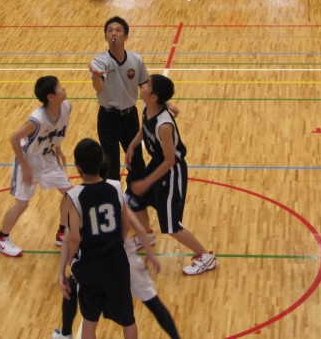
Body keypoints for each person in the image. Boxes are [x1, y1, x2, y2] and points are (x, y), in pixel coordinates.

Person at [54, 187, 180, 339]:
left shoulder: (80, 201)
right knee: (152, 304)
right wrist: (150, 254)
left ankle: (66, 333)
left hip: (98, 262)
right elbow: (139, 229)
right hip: (127, 261)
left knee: (74, 294)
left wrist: (67, 265)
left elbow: (70, 238)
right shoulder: (116, 196)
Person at [126, 74, 216, 276]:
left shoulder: (164, 125)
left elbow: (170, 160)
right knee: (134, 200)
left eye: (148, 84)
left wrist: (147, 181)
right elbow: (144, 129)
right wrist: (132, 146)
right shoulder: (147, 108)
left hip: (171, 172)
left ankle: (205, 256)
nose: (143, 85)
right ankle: (146, 236)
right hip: (158, 165)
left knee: (171, 224)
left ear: (154, 97)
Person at [60, 138, 138, 339]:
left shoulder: (74, 195)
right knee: (128, 319)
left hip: (90, 263)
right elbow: (126, 225)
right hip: (116, 261)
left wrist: (71, 262)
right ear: (103, 159)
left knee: (89, 319)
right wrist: (114, 245)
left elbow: (74, 237)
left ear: (77, 166)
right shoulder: (115, 186)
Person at [0, 76, 72, 256]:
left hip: (48, 158)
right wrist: (25, 166)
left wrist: (58, 149)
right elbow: (14, 138)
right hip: (28, 160)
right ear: (50, 97)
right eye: (59, 87)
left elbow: (55, 131)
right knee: (22, 204)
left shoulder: (66, 107)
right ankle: (1, 239)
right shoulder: (37, 119)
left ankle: (61, 233)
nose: (63, 88)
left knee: (70, 195)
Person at [89, 16, 148, 188]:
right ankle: (113, 201)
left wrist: (161, 105)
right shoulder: (99, 61)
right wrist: (96, 77)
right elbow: (99, 88)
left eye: (118, 30)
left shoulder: (136, 60)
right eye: (110, 30)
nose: (114, 33)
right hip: (108, 118)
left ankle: (137, 197)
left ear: (126, 36)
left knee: (136, 161)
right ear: (106, 36)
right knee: (110, 165)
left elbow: (144, 85)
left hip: (130, 116)